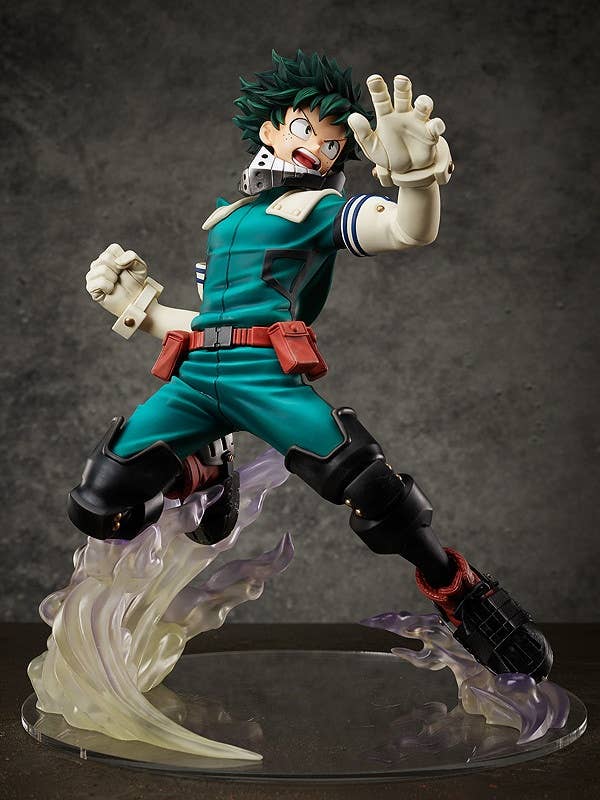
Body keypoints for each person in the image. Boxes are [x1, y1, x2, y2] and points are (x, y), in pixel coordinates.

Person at [69, 50, 552, 682]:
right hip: (196, 378)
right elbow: (212, 318)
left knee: (371, 487)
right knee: (100, 502)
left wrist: (416, 180)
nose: (314, 150)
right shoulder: (226, 221)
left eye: (330, 145)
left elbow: (406, 230)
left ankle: (460, 592)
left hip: (264, 378)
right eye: (303, 129)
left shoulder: (318, 210)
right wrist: (143, 309)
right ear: (270, 130)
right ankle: (207, 469)